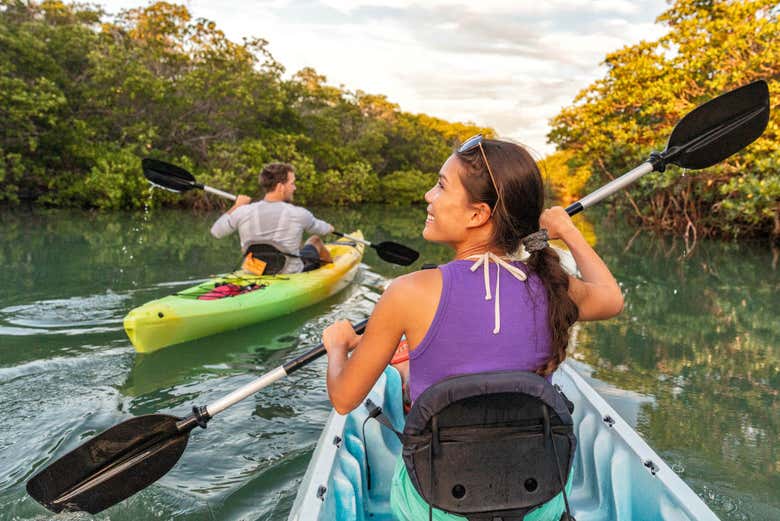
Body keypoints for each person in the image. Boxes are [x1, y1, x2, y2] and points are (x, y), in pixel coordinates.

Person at [321, 135, 624, 520]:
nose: (429, 196)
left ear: (478, 214)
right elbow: (612, 298)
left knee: (406, 373)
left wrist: (337, 346)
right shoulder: (553, 285)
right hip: (536, 502)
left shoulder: (408, 292)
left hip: (437, 506)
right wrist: (567, 230)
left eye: (441, 186)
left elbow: (345, 399)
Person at [210, 162, 335, 274]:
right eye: (292, 183)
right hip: (289, 273)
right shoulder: (299, 213)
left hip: (254, 271)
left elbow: (216, 232)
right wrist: (330, 227)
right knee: (315, 240)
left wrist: (236, 206)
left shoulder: (243, 211)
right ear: (281, 187)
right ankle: (333, 273)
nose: (294, 188)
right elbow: (323, 230)